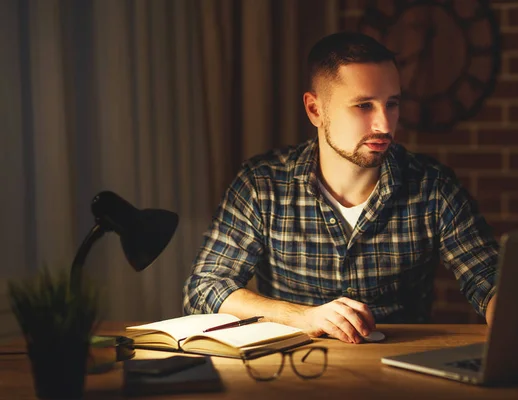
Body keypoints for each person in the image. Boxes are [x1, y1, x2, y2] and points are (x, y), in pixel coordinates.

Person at [183, 32, 498, 344]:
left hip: (401, 371)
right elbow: (205, 289)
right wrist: (302, 317)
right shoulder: (262, 184)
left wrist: (508, 313)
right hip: (293, 370)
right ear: (315, 110)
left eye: (392, 104)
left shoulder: (434, 187)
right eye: (363, 106)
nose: (385, 125)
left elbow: (489, 279)